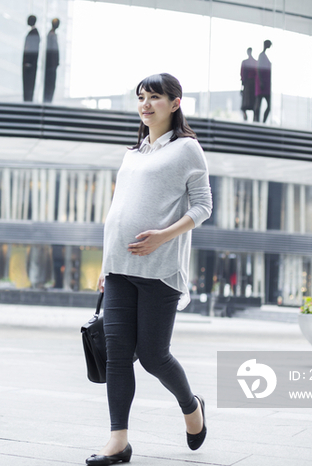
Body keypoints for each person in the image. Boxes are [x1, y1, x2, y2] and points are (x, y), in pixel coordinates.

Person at [87, 73, 212, 465]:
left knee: (155, 356)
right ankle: (118, 442)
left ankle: (192, 408)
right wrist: (107, 265)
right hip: (120, 269)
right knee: (119, 355)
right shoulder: (133, 153)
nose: (146, 104)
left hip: (160, 269)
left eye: (154, 97)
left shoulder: (188, 149)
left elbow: (203, 207)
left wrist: (163, 235)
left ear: (175, 103)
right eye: (141, 97)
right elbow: (116, 212)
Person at [22, 15, 40, 102]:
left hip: (30, 64)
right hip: (29, 64)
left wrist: (28, 62)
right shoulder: (33, 33)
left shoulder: (34, 33)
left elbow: (31, 49)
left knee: (28, 85)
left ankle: (28, 101)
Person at [254, 40, 272, 123]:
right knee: (258, 104)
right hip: (262, 83)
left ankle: (262, 122)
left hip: (266, 84)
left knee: (268, 105)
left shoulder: (264, 56)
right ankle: (257, 121)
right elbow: (258, 69)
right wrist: (261, 81)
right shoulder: (261, 56)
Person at [43, 18, 60, 103]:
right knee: (50, 85)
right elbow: (52, 51)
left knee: (51, 85)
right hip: (50, 66)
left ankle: (49, 100)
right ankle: (48, 101)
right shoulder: (51, 35)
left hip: (52, 65)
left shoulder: (52, 34)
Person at [240, 47, 257, 121]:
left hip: (250, 84)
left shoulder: (251, 62)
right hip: (249, 84)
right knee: (248, 103)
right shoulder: (251, 62)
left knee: (249, 102)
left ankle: (252, 118)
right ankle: (248, 117)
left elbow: (243, 74)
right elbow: (242, 74)